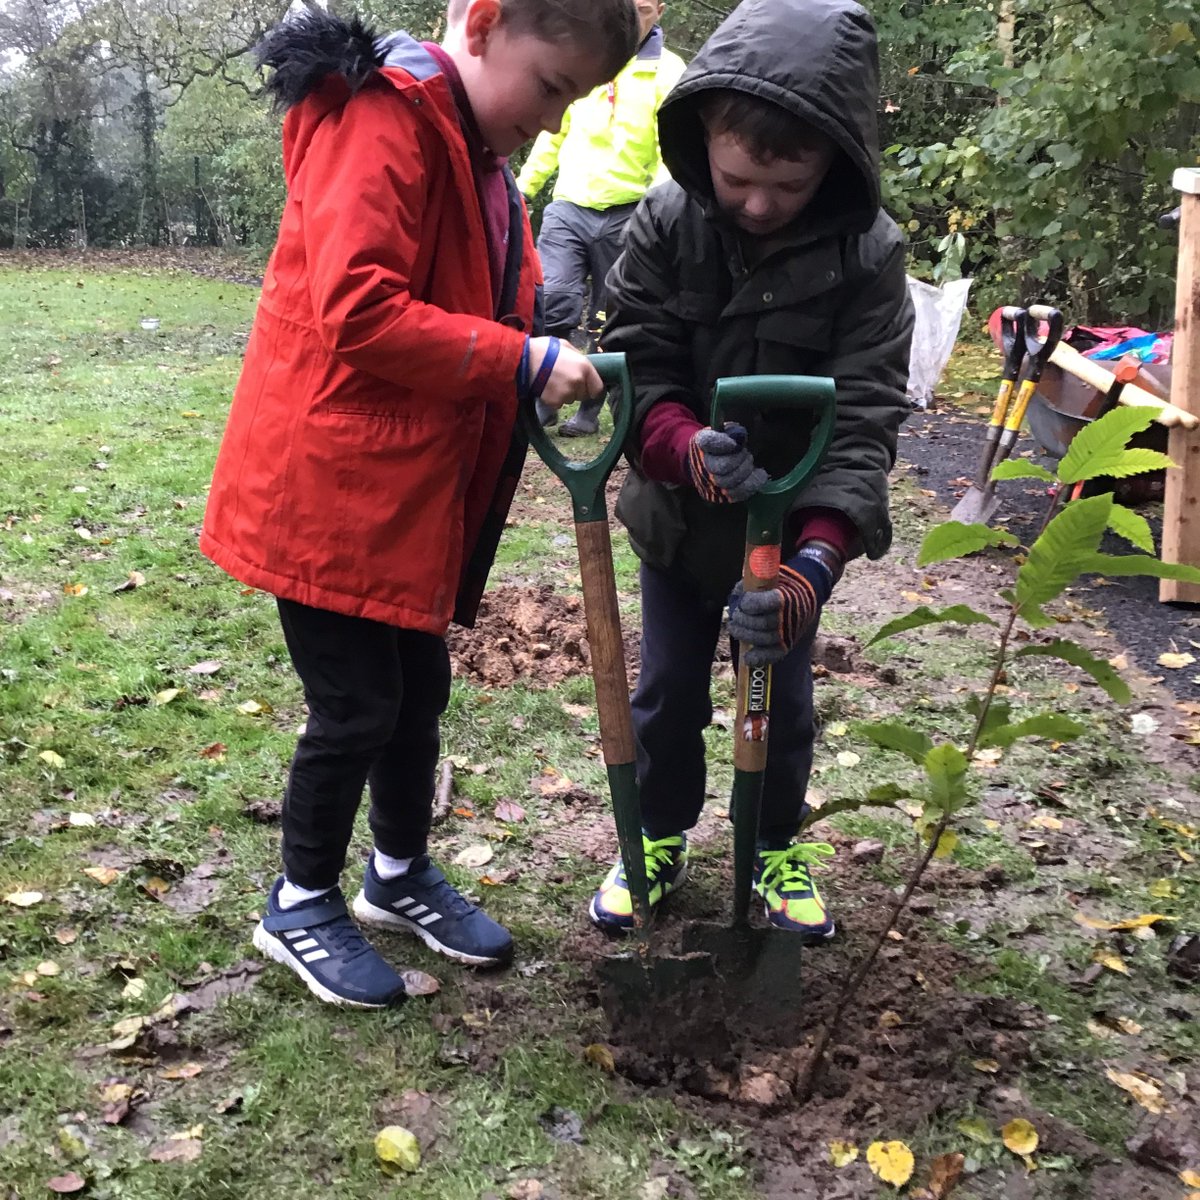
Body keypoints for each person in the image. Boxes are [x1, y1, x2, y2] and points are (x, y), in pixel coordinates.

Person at [200, 0, 639, 1009]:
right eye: (552, 90)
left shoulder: (476, 152)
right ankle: (298, 900)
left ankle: (394, 874)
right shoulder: (384, 118)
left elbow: (482, 292)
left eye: (573, 102)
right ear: (482, 25)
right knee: (356, 706)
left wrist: (538, 345)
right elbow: (357, 306)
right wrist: (517, 359)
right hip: (327, 489)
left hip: (400, 494)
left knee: (417, 695)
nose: (556, 122)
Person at [589, 0, 913, 944]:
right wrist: (687, 445)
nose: (761, 204)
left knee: (782, 702)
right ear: (705, 142)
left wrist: (810, 573)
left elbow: (859, 425)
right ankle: (655, 831)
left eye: (790, 181)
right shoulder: (665, 221)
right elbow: (637, 370)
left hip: (786, 533)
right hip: (677, 518)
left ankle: (771, 843)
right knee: (668, 693)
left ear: (837, 160)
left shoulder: (869, 257)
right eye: (737, 180)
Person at [516, 0, 685, 436]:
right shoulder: (588, 56)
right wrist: (523, 186)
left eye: (644, 8)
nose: (634, 14)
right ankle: (543, 394)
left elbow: (673, 147)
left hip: (629, 211)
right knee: (551, 299)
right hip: (571, 204)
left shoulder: (667, 72)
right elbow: (557, 132)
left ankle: (590, 409)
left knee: (609, 316)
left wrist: (657, 208)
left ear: (659, 12)